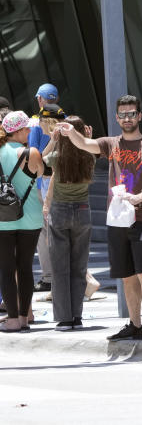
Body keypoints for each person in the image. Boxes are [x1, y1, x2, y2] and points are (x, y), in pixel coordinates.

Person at [62, 95, 142, 341]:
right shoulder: (111, 143)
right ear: (117, 118)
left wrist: (139, 198)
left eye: (131, 114)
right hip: (116, 219)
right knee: (127, 276)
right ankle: (135, 325)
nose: (127, 118)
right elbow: (85, 143)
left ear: (139, 116)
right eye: (122, 115)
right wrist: (68, 132)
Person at [44, 116, 95, 331]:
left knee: (59, 266)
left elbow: (42, 158)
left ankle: (64, 318)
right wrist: (87, 138)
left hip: (60, 209)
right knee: (79, 265)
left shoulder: (57, 157)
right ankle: (76, 316)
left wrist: (54, 139)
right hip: (83, 210)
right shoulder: (88, 156)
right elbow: (91, 148)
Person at [0, 111, 44, 332]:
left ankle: (12, 319)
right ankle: (25, 317)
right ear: (16, 131)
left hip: (3, 219)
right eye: (26, 128)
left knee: (6, 269)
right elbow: (42, 172)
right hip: (30, 217)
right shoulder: (31, 153)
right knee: (25, 266)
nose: (30, 131)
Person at [29, 98, 64, 295]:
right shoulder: (60, 136)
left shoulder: (60, 139)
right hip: (51, 187)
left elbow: (44, 163)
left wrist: (47, 199)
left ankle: (57, 280)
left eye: (41, 119)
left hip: (51, 188)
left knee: (52, 234)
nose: (38, 123)